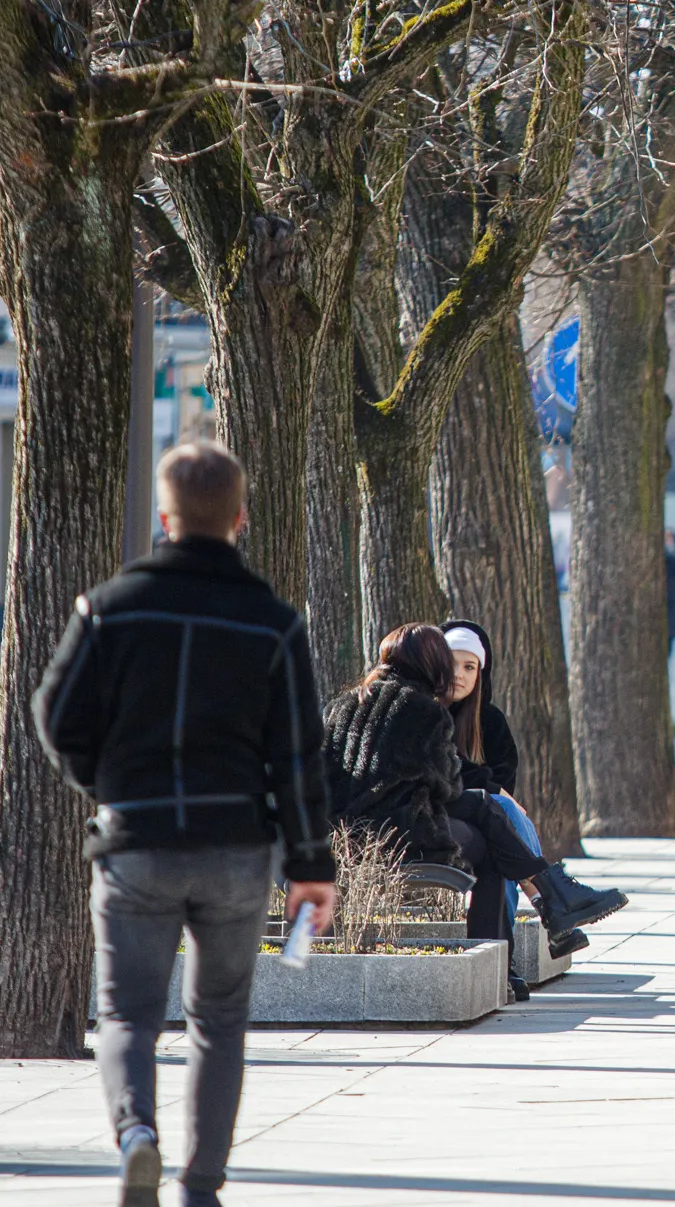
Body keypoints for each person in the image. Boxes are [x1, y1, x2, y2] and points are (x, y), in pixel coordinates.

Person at [34, 441, 338, 1207]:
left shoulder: (109, 609)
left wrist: (107, 786)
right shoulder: (273, 624)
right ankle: (202, 1186)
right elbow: (298, 756)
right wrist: (311, 864)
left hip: (136, 840)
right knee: (218, 1020)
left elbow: (55, 714)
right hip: (236, 847)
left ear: (164, 516)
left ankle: (137, 1135)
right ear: (240, 518)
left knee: (128, 1013)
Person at [326, 624, 621, 952]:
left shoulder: (343, 705)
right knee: (489, 840)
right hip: (398, 835)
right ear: (430, 663)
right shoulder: (422, 709)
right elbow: (448, 784)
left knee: (483, 803)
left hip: (341, 834)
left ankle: (551, 897)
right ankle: (519, 942)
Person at [440, 619, 626, 986]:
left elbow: (500, 781)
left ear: (482, 671)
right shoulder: (425, 712)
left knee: (505, 826)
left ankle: (544, 913)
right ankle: (551, 902)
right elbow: (443, 771)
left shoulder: (489, 722)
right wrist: (489, 788)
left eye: (469, 667)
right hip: (438, 814)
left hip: (480, 820)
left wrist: (490, 788)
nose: (459, 676)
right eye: (451, 665)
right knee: (506, 820)